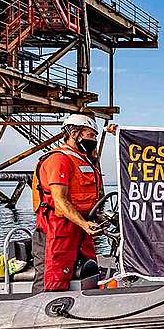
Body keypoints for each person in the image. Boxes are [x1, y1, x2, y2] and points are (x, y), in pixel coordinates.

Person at [31, 114, 105, 293]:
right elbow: (60, 201)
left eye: (94, 136)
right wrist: (84, 223)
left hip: (80, 229)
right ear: (74, 133)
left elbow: (85, 196)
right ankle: (42, 313)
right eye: (90, 135)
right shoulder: (59, 160)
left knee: (89, 271)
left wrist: (96, 216)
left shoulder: (84, 160)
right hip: (57, 230)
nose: (93, 140)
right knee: (53, 276)